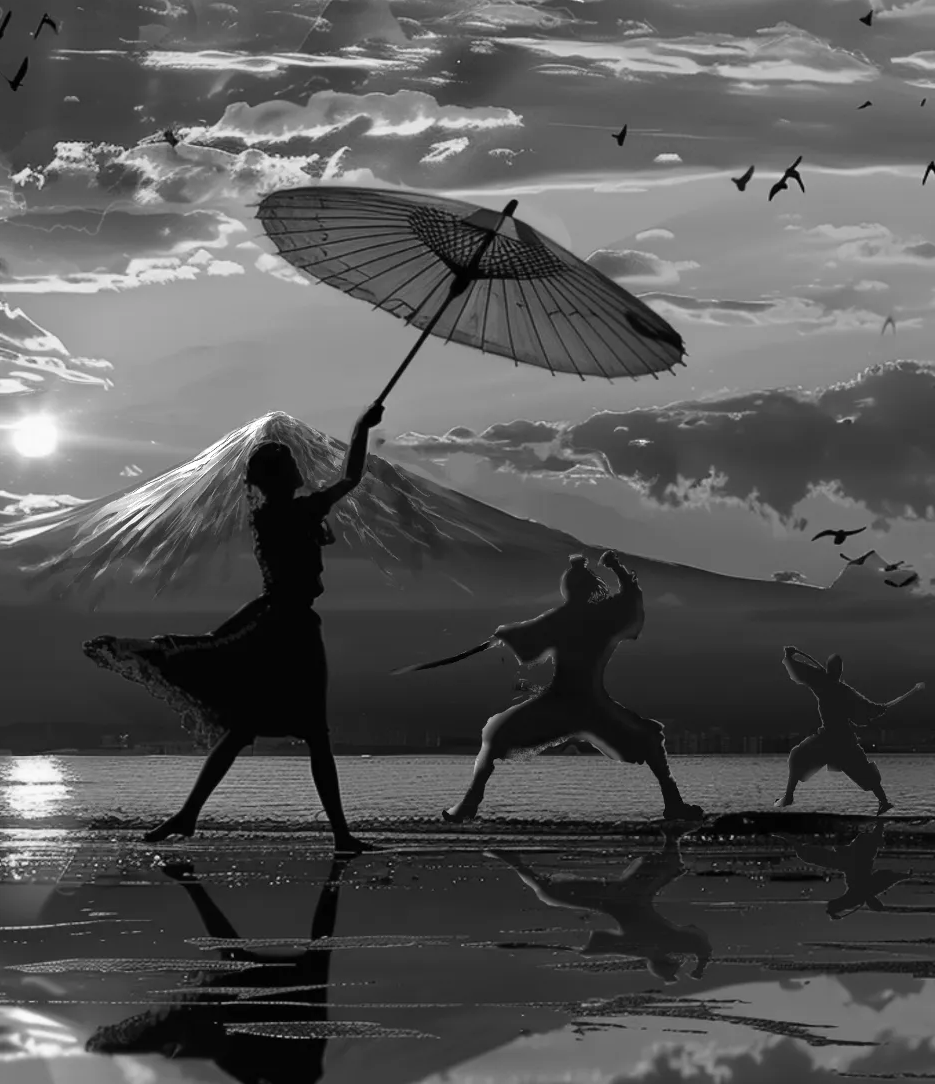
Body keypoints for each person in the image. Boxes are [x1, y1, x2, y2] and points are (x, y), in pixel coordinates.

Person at [84, 403, 385, 854]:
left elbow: (348, 481)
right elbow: (350, 479)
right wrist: (361, 430)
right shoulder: (292, 514)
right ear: (278, 477)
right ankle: (341, 836)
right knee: (313, 735)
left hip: (277, 621)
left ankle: (188, 816)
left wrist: (361, 428)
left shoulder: (275, 516)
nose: (297, 470)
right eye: (288, 466)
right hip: (290, 629)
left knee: (246, 729)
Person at [86, 857, 354, 1084]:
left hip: (293, 1064)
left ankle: (335, 873)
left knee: (288, 955)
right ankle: (192, 883)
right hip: (285, 1069)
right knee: (251, 955)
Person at [441, 550, 703, 824]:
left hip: (564, 702)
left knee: (495, 736)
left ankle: (469, 804)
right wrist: (618, 570)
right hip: (590, 703)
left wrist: (506, 634)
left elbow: (528, 634)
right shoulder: (605, 617)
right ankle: (674, 803)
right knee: (648, 740)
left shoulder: (562, 619)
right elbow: (630, 600)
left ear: (568, 589)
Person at [488, 828, 711, 983]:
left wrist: (699, 968)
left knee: (548, 892)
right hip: (627, 899)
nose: (677, 959)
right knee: (547, 892)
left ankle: (512, 860)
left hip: (620, 900)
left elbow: (701, 947)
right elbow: (701, 946)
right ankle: (672, 836)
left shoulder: (652, 947)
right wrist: (699, 968)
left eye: (674, 963)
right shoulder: (658, 945)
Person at [777, 646, 923, 815]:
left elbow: (866, 708)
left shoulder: (837, 688)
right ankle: (788, 797)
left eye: (838, 669)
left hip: (838, 738)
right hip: (832, 737)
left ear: (839, 671)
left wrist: (877, 709)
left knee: (862, 769)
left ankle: (883, 802)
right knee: (798, 756)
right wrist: (789, 656)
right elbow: (801, 671)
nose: (836, 671)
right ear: (831, 669)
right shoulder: (825, 682)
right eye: (834, 668)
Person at [778, 819, 912, 919]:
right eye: (875, 902)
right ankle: (879, 822)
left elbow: (886, 878)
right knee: (871, 839)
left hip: (850, 861)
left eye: (874, 903)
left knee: (809, 855)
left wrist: (832, 912)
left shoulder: (860, 896)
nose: (874, 900)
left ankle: (791, 839)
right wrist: (904, 876)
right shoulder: (869, 891)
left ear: (871, 902)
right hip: (856, 860)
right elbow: (887, 878)